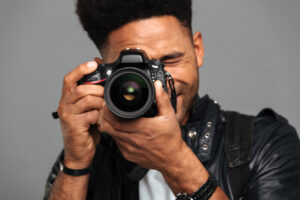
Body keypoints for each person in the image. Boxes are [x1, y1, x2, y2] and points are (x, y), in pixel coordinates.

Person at [44, 0, 300, 199]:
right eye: (139, 71)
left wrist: (177, 163)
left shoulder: (265, 145)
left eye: (170, 60)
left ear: (197, 49)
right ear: (102, 73)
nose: (159, 86)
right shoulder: (88, 155)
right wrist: (76, 164)